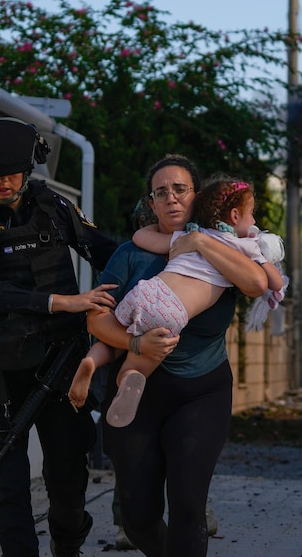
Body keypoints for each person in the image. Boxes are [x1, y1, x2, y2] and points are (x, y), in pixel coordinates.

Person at [0, 118, 120, 557]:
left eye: (12, 171)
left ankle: (67, 546)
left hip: (61, 364)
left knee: (67, 479)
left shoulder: (55, 209)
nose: (3, 181)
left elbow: (103, 251)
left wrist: (166, 260)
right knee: (11, 481)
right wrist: (65, 302)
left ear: (28, 168)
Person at [85, 155, 271, 556]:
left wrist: (200, 240)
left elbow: (257, 282)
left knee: (189, 504)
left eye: (180, 189)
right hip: (139, 393)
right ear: (150, 203)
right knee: (138, 519)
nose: (171, 199)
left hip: (202, 392)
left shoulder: (223, 245)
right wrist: (136, 345)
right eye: (160, 192)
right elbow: (97, 320)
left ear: (198, 196)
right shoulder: (130, 254)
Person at [67, 176, 286, 428]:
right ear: (235, 216)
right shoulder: (244, 248)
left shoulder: (191, 235)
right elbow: (274, 283)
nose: (255, 222)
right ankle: (130, 378)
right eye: (252, 216)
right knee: (138, 363)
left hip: (147, 291)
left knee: (114, 337)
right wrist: (265, 258)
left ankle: (91, 361)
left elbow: (141, 237)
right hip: (172, 312)